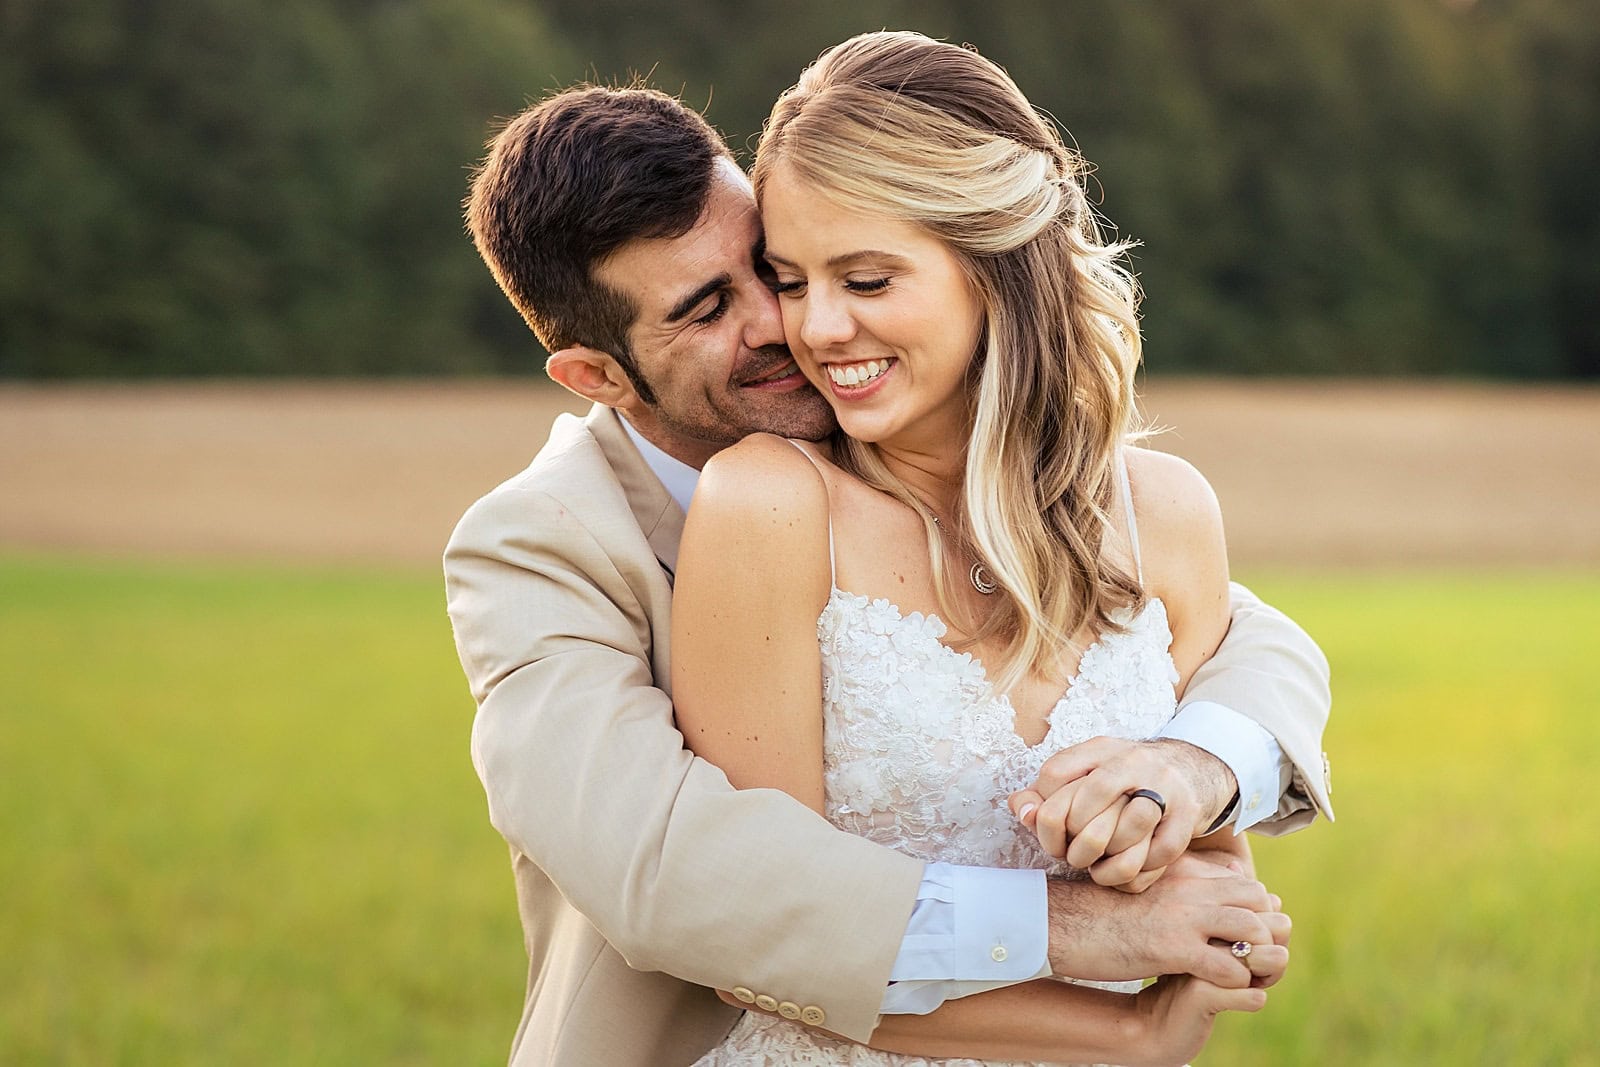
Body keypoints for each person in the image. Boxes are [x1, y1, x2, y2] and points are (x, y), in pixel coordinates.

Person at [446, 75, 1333, 1067]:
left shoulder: (1118, 502)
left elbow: (1238, 640)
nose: (797, 326)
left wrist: (1199, 763)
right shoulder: (541, 545)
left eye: (771, 269)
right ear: (597, 376)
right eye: (709, 308)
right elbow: (679, 877)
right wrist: (1087, 952)